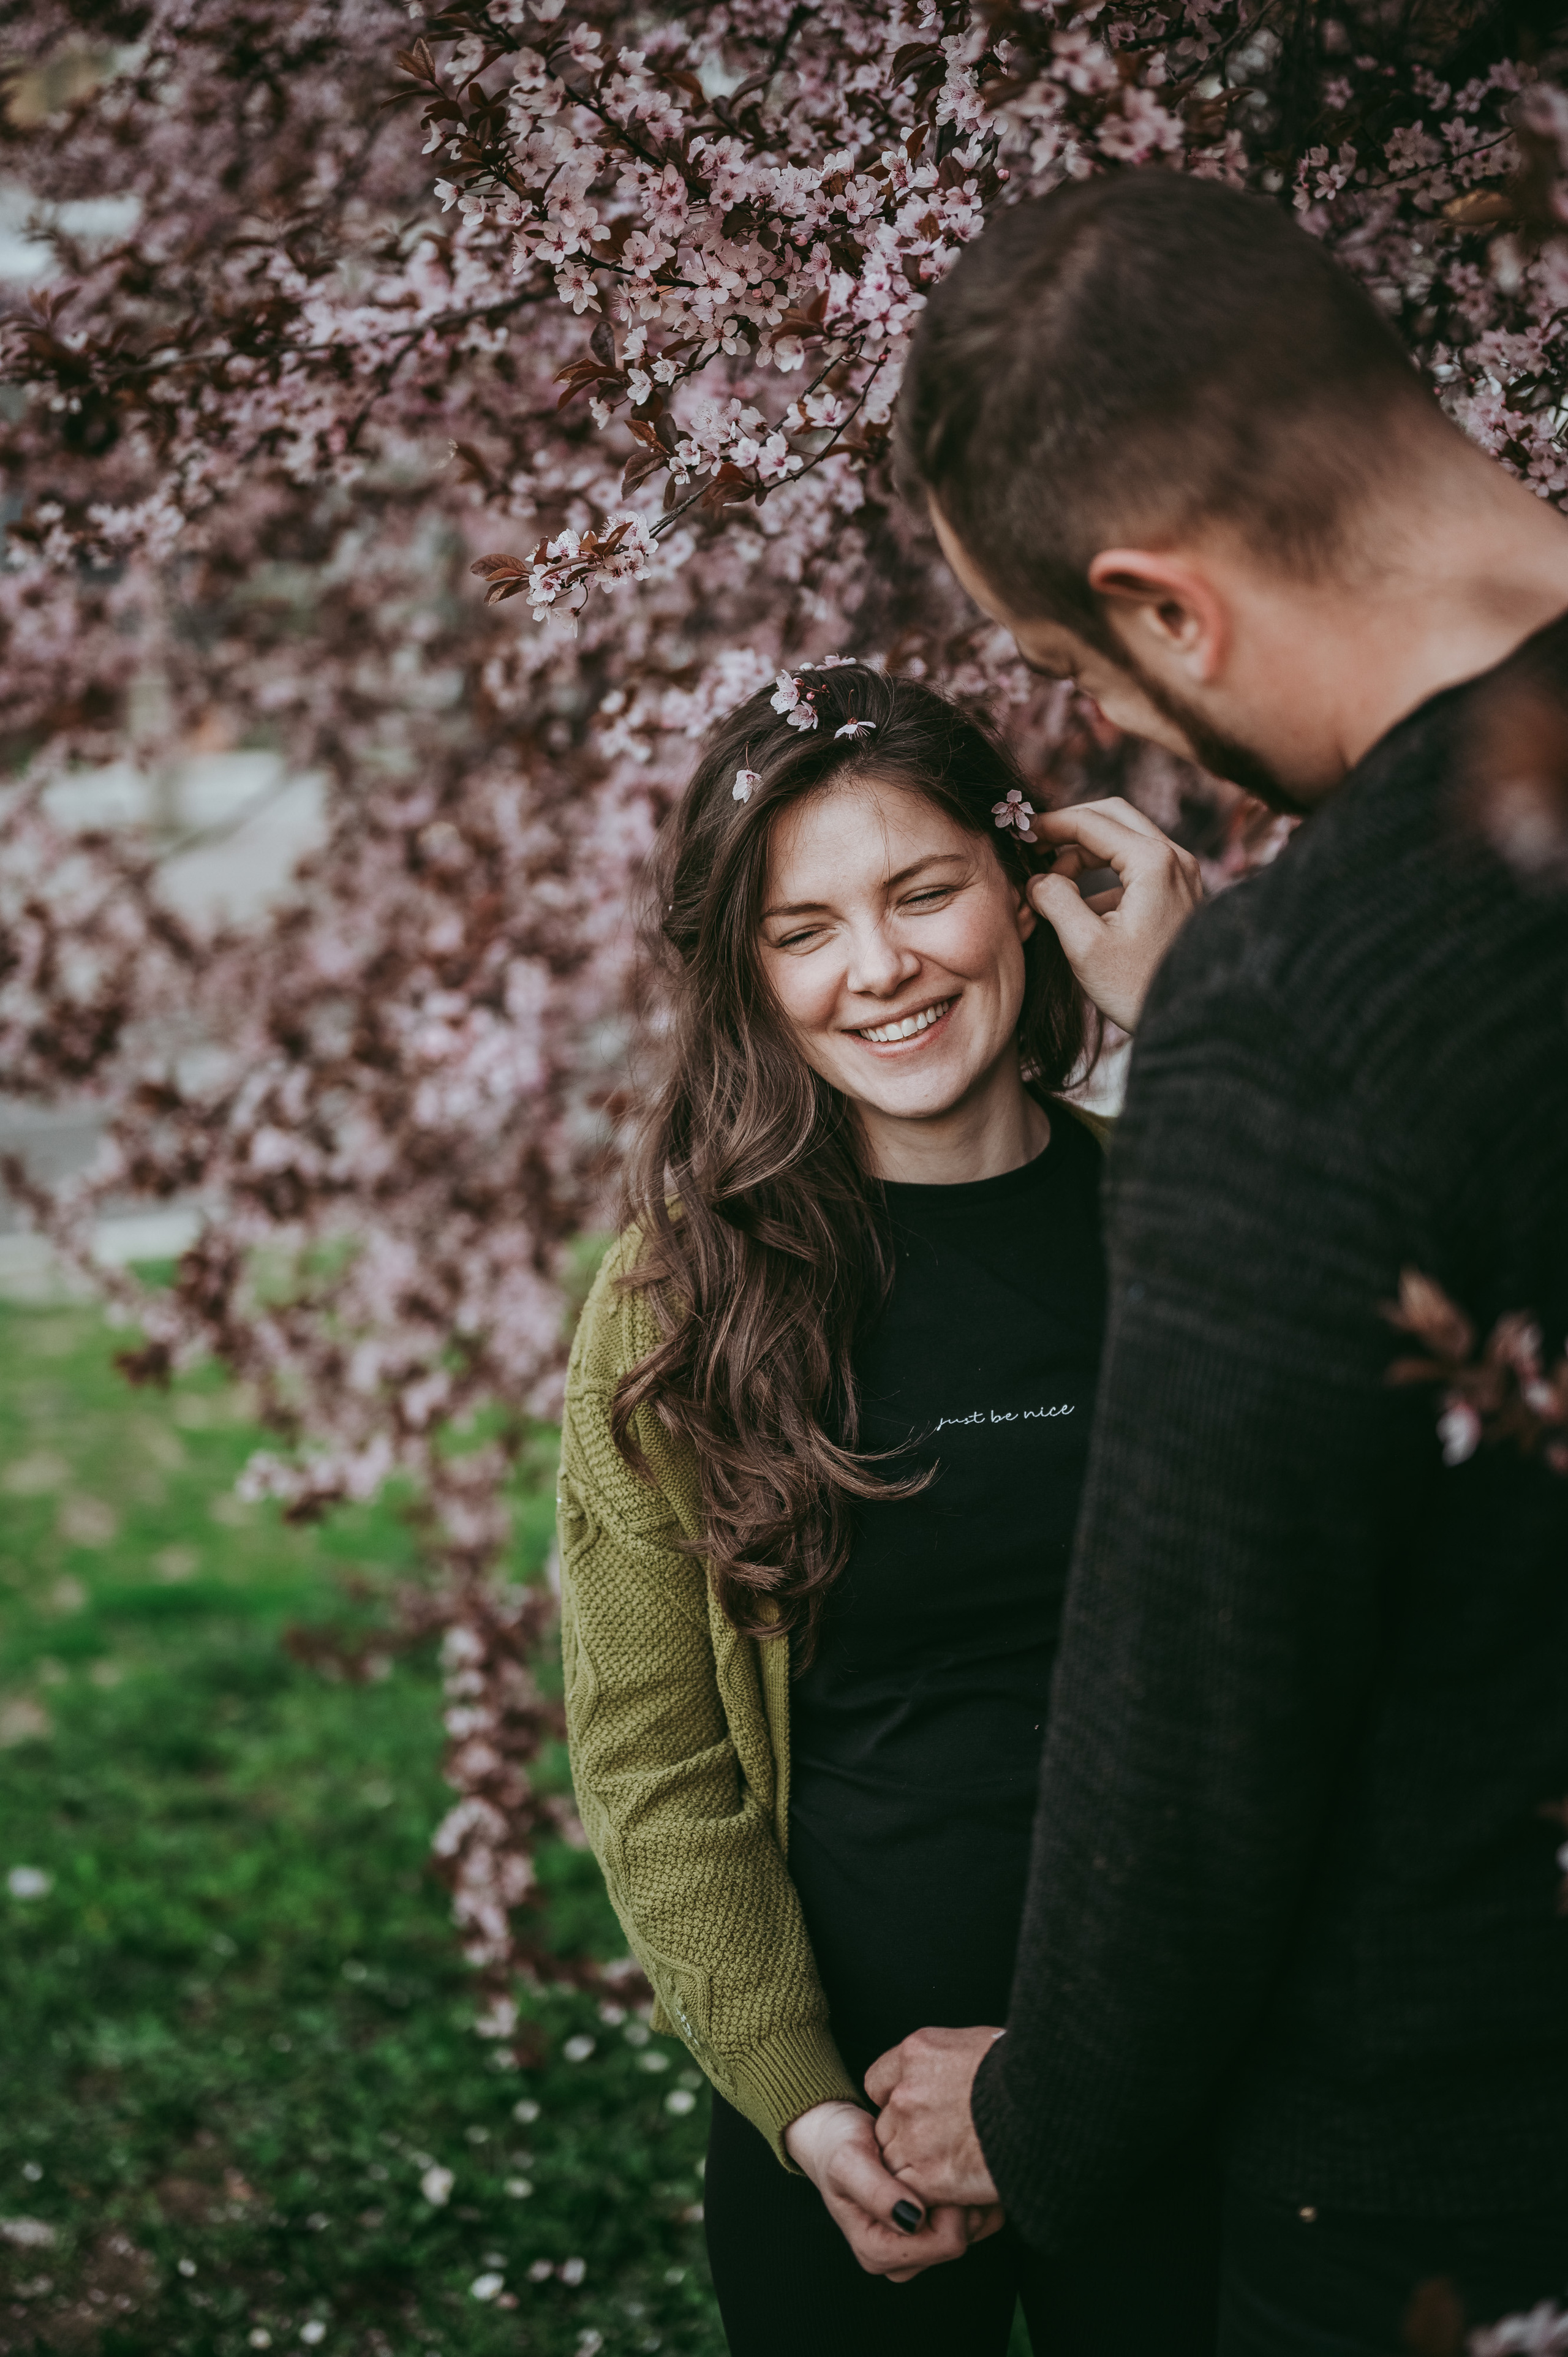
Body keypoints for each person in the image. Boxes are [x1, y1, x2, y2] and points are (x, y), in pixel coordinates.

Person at [865, 169, 1568, 2356]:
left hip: (1459, 2180)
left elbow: (1208, 1706)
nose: (1156, 741)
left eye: (1099, 672)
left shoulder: (1314, 1010)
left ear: (1165, 613)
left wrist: (1052, 2106)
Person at [555, 661, 1208, 2355]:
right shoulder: (681, 1303)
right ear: (752, 981)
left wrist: (1207, 1018)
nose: (881, 969)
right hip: (847, 2121)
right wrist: (805, 2106)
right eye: (805, 930)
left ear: (1029, 887)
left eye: (925, 892)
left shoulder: (1201, 1221)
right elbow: (654, 1754)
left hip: (1201, 2065)